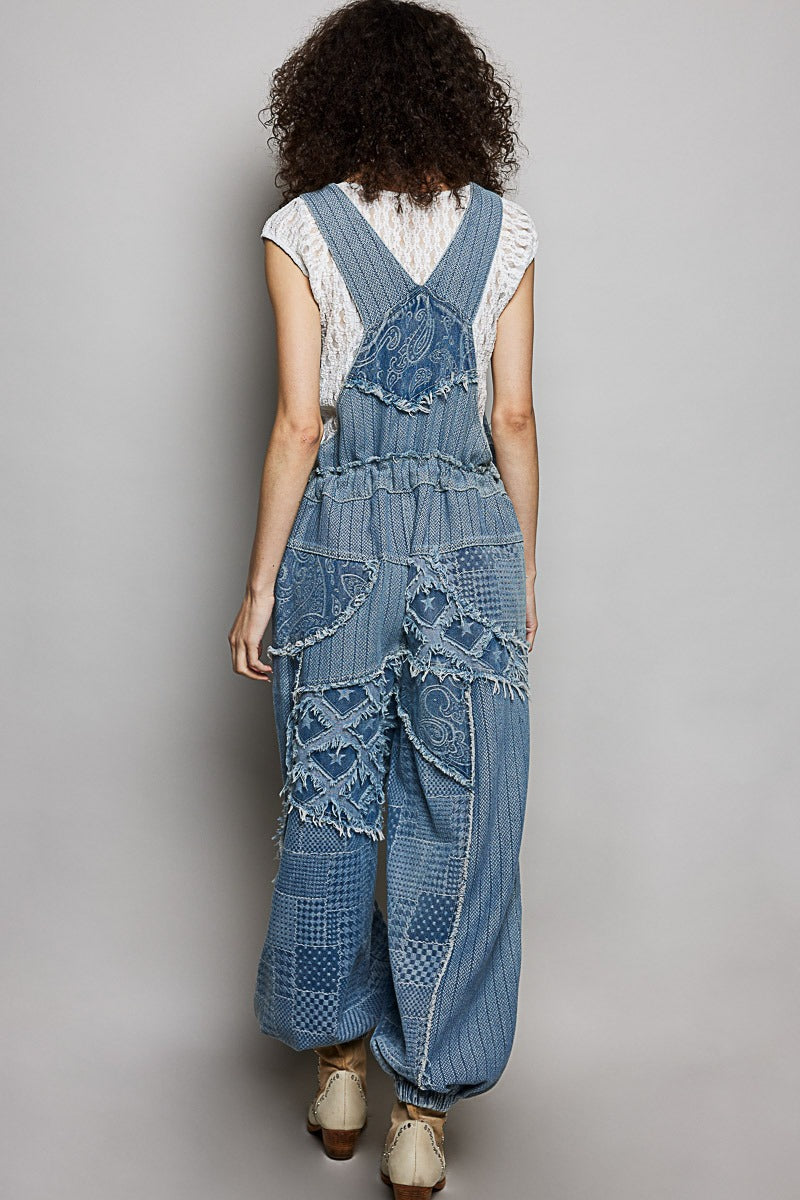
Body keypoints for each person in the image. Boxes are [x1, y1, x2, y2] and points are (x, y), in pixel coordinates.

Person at [228, 1, 539, 1195]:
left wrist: (258, 586)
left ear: (326, 101)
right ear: (463, 100)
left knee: (331, 804)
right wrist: (519, 574)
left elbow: (298, 423)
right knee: (458, 828)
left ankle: (340, 1070)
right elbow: (510, 417)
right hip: (468, 542)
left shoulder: (297, 229)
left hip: (336, 548)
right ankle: (423, 1118)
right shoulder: (504, 235)